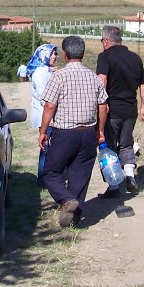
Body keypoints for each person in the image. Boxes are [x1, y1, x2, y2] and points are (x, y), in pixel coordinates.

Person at [38, 36, 108, 228]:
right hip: (87, 133)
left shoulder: (58, 76)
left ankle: (66, 200)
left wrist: (44, 131)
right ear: (83, 54)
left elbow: (50, 105)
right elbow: (103, 107)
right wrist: (100, 130)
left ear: (64, 54)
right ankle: (74, 218)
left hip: (64, 133)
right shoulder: (93, 78)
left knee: (51, 172)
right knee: (80, 176)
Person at [96, 25, 144, 197]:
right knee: (127, 143)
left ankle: (113, 188)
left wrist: (101, 103)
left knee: (109, 146)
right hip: (130, 109)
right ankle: (129, 175)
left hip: (111, 109)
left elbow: (102, 80)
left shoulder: (104, 57)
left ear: (106, 41)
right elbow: (143, 85)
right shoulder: (135, 58)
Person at [25, 43, 58, 182]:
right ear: (44, 54)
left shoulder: (46, 70)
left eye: (55, 54)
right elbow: (43, 96)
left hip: (48, 114)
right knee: (45, 146)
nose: (55, 57)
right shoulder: (40, 72)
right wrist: (50, 117)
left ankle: (47, 176)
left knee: (50, 146)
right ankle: (43, 178)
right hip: (45, 115)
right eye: (52, 54)